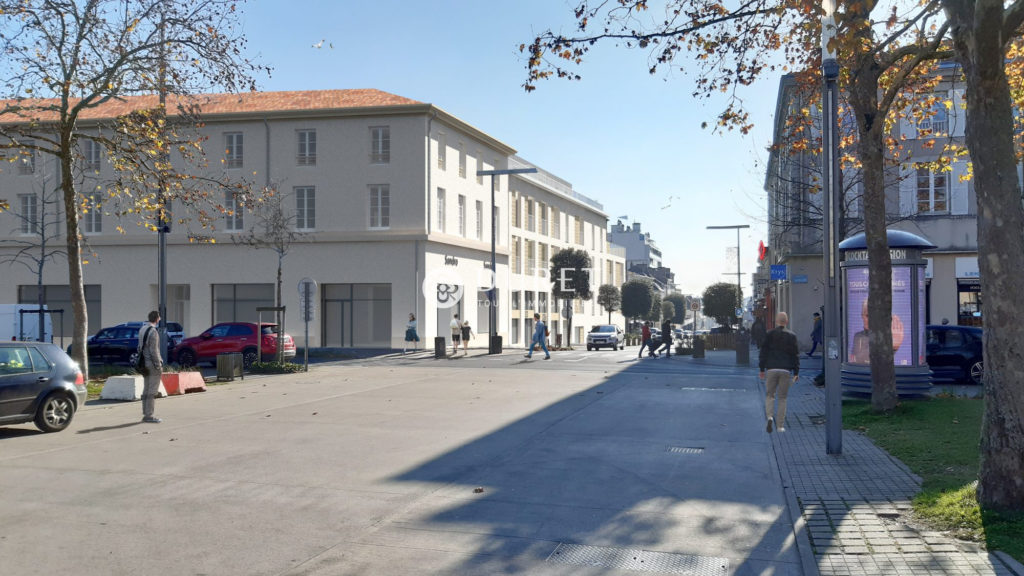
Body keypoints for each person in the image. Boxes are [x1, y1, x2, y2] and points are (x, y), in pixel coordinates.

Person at [759, 311, 799, 433]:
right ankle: (780, 426)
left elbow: (763, 352)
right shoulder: (792, 336)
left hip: (771, 369)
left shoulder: (769, 334)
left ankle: (770, 417)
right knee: (782, 398)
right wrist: (796, 372)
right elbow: (795, 355)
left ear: (776, 321)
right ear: (786, 321)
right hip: (785, 370)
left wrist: (762, 369)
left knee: (770, 395)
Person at [849, 298, 904, 364]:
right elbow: (855, 360)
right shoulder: (857, 336)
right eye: (868, 315)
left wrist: (892, 348)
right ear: (862, 316)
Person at [138, 310, 164, 424]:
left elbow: (139, 347)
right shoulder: (153, 332)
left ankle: (145, 413)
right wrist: (159, 365)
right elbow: (154, 351)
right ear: (157, 319)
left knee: (146, 388)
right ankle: (149, 415)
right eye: (159, 317)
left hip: (144, 363)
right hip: (152, 364)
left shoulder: (142, 329)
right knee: (152, 391)